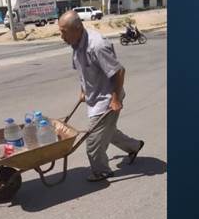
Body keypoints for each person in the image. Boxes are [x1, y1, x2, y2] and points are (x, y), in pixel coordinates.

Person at [58, 11, 144, 182]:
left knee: (92, 143)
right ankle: (134, 146)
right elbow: (84, 71)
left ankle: (102, 171)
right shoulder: (76, 44)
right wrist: (83, 90)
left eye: (64, 32)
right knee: (107, 132)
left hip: (108, 99)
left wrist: (116, 99)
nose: (61, 36)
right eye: (60, 31)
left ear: (77, 28)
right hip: (94, 97)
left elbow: (119, 71)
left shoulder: (97, 45)